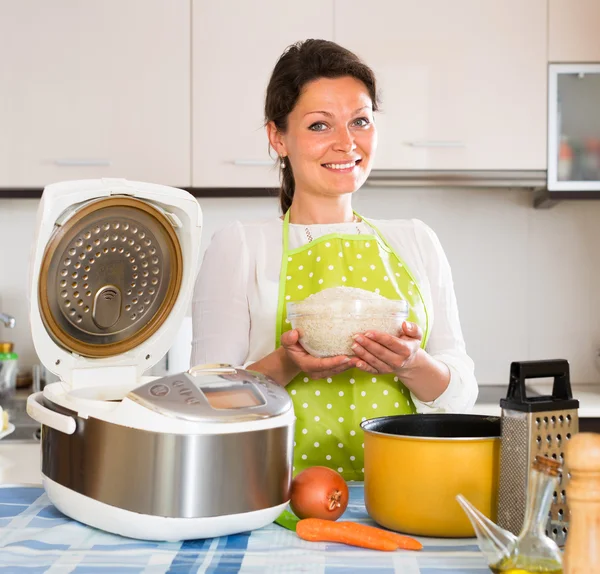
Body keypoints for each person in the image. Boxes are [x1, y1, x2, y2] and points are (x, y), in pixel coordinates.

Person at [191, 39, 477, 481]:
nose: (347, 143)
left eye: (360, 121)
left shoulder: (416, 241)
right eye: (320, 126)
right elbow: (208, 401)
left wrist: (410, 363)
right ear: (277, 138)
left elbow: (460, 396)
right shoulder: (241, 246)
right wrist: (286, 362)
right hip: (275, 499)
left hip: (401, 492)